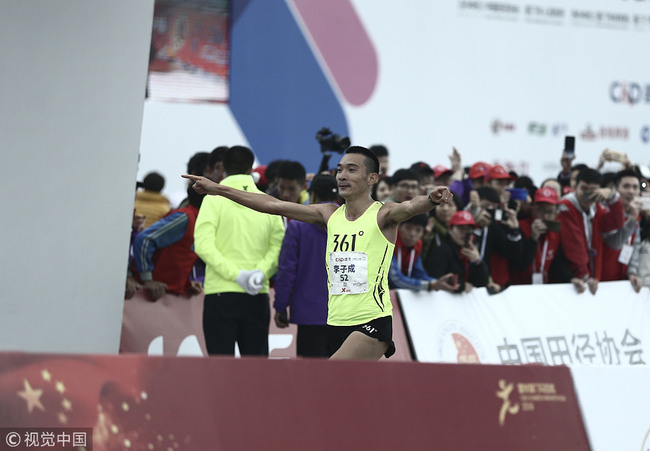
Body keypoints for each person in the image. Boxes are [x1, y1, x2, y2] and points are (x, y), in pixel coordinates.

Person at [183, 145, 453, 360]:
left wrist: (430, 199)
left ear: (372, 178)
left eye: (351, 169)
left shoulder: (383, 214)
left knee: (326, 382)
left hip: (371, 322)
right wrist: (217, 189)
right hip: (333, 322)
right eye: (339, 170)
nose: (342, 176)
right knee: (345, 401)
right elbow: (271, 205)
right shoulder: (328, 213)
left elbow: (410, 207)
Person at [193, 146, 286, 356]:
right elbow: (278, 246)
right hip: (257, 292)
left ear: (223, 167)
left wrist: (236, 275)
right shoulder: (267, 202)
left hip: (221, 293)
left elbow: (203, 245)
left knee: (220, 369)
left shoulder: (213, 199)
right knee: (256, 372)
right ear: (250, 169)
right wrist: (260, 272)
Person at [273, 174, 339, 358]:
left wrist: (280, 306)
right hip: (345, 315)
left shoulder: (297, 226)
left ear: (313, 195)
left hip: (310, 314)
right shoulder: (353, 225)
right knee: (342, 376)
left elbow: (287, 270)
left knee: (312, 377)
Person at [554, 167, 625, 294]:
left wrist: (612, 197)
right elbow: (574, 247)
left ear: (599, 190)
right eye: (584, 189)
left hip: (589, 276)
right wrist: (585, 276)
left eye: (592, 190)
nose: (587, 194)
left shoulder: (596, 209)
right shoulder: (566, 207)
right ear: (575, 186)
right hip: (569, 276)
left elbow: (616, 222)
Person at [130, 185, 206, 300]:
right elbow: (144, 239)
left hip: (166, 295)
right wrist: (147, 279)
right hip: (149, 295)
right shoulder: (184, 218)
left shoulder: (198, 221)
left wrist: (188, 283)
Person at [425, 210, 490, 293]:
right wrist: (462, 286)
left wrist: (478, 262)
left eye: (469, 230)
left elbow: (483, 283)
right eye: (461, 229)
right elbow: (436, 279)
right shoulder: (442, 252)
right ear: (450, 230)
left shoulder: (472, 252)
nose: (465, 233)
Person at [388, 214, 456, 292]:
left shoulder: (418, 244)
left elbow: (419, 273)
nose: (412, 234)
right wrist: (430, 285)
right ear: (399, 226)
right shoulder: (389, 241)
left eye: (418, 230)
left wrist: (438, 282)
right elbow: (395, 279)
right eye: (408, 228)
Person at [509, 187, 561, 285]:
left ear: (556, 212)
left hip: (544, 289)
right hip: (518, 288)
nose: (545, 216)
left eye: (549, 212)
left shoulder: (557, 233)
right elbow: (520, 265)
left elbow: (558, 266)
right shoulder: (520, 227)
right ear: (533, 209)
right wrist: (533, 239)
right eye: (540, 210)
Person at [601, 169, 642, 281]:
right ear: (616, 189)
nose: (631, 191)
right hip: (600, 280)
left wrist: (632, 272)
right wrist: (632, 220)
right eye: (626, 186)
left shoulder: (635, 214)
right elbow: (614, 243)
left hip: (621, 281)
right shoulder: (605, 211)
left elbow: (635, 245)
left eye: (635, 187)